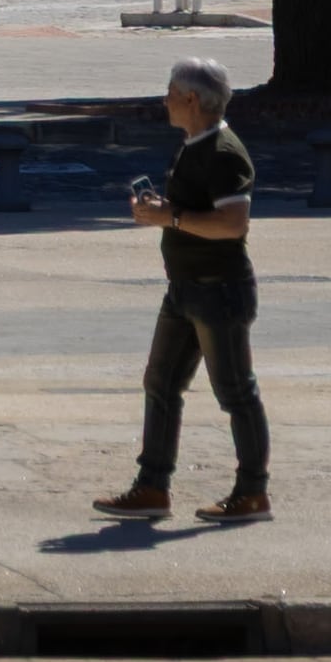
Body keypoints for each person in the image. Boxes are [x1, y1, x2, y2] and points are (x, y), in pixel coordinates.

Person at [96, 53, 270, 524]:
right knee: (161, 383)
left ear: (192, 99)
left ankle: (253, 493)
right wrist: (161, 210)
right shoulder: (192, 145)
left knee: (235, 391)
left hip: (219, 291)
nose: (165, 100)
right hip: (185, 290)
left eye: (171, 93)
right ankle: (152, 487)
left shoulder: (224, 152)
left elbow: (232, 224)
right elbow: (193, 211)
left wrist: (169, 217)